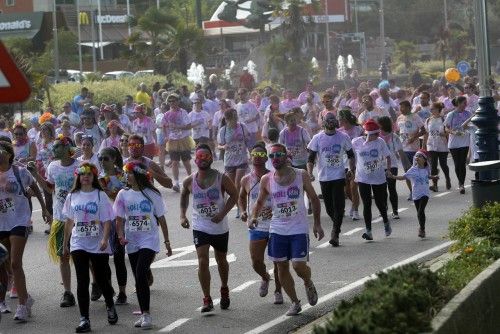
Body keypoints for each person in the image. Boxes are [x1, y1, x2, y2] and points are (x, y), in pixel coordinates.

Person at [249, 143, 324, 316]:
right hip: (277, 229)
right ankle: (295, 302)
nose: (274, 159)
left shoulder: (300, 175)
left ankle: (307, 281)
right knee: (281, 267)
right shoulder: (266, 179)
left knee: (298, 265)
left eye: (278, 155)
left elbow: (314, 198)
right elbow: (260, 201)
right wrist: (254, 217)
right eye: (272, 156)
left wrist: (317, 224)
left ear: (286, 155)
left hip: (298, 228)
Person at [180, 144, 238, 313]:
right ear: (195, 159)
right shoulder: (189, 181)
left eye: (206, 156)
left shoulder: (222, 178)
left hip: (219, 226)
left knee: (221, 260)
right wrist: (182, 215)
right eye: (200, 156)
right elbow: (184, 195)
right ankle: (207, 298)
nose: (203, 159)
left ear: (212, 158)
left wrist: (222, 213)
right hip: (200, 226)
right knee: (202, 260)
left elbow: (234, 195)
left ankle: (224, 289)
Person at [115, 162, 172, 328]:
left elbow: (161, 218)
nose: (127, 176)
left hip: (149, 239)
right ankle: (143, 312)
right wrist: (120, 235)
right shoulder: (122, 195)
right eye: (126, 173)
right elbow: (119, 218)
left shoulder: (152, 194)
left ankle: (147, 315)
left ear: (139, 174)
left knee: (140, 273)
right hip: (131, 240)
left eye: (130, 173)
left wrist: (167, 241)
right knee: (138, 278)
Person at [62, 162, 118, 332]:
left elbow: (107, 220)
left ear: (94, 177)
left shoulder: (100, 195)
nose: (85, 177)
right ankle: (84, 319)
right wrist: (65, 244)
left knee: (102, 279)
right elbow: (69, 221)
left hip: (97, 243)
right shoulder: (72, 196)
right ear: (78, 177)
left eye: (89, 174)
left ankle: (110, 304)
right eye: (82, 174)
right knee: (82, 280)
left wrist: (105, 239)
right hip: (78, 242)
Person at [0, 141, 50, 321]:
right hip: (1, 223)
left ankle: (21, 306)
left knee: (15, 263)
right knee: (5, 264)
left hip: (19, 220)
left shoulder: (19, 172)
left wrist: (44, 208)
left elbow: (35, 185)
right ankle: (26, 298)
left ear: (9, 154)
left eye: (3, 150)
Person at [29, 135, 79, 308]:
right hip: (60, 218)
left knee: (85, 256)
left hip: (80, 219)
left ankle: (96, 283)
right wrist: (35, 174)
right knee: (63, 256)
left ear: (67, 149)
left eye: (57, 147)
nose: (53, 150)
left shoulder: (79, 166)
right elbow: (50, 188)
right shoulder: (52, 166)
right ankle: (68, 292)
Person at [239, 143, 283, 304]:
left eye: (260, 155)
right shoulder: (246, 179)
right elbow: (241, 197)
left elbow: (283, 197)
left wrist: (276, 209)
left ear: (266, 158)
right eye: (254, 155)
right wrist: (243, 211)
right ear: (250, 157)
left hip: (275, 224)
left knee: (278, 261)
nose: (257, 158)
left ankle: (278, 291)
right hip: (256, 225)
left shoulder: (274, 176)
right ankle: (265, 277)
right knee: (256, 261)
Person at [307, 113, 355, 246]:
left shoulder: (343, 137)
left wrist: (351, 169)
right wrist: (310, 173)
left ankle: (335, 233)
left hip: (339, 176)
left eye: (333, 120)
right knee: (329, 208)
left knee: (338, 204)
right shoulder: (317, 138)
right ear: (324, 123)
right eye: (328, 120)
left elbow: (351, 155)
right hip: (324, 177)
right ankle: (337, 222)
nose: (331, 122)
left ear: (336, 122)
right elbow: (311, 158)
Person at [352, 120, 392, 241]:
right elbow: (351, 156)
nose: (376, 136)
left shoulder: (380, 142)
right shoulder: (356, 142)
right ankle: (369, 231)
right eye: (374, 134)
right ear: (368, 133)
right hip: (362, 178)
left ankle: (386, 222)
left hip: (378, 177)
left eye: (377, 134)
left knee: (380, 203)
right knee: (367, 204)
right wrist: (351, 169)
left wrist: (388, 170)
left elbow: (388, 156)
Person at [98, 147, 128, 306]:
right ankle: (108, 288)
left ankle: (122, 292)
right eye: (100, 158)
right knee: (103, 259)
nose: (102, 162)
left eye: (106, 158)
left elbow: (123, 196)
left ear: (114, 159)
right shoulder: (96, 176)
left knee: (118, 257)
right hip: (103, 221)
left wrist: (110, 191)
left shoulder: (122, 175)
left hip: (119, 220)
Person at [388, 150, 439, 238]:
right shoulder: (412, 170)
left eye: (419, 156)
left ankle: (422, 229)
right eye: (416, 156)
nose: (417, 158)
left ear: (424, 160)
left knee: (421, 211)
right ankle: (422, 227)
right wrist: (393, 177)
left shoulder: (426, 169)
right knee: (419, 213)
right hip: (416, 194)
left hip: (425, 194)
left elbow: (427, 176)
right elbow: (403, 177)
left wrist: (433, 177)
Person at [217, 108, 250, 217]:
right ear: (227, 119)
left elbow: (247, 141)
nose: (236, 118)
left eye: (236, 116)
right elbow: (219, 145)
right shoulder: (223, 130)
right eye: (234, 117)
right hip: (229, 160)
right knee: (232, 187)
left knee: (237, 184)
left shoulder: (242, 126)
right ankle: (238, 207)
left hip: (242, 158)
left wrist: (250, 154)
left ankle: (241, 209)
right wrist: (223, 146)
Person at [378, 116, 410, 219]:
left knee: (391, 188)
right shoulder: (376, 137)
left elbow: (400, 152)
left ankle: (395, 211)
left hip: (392, 166)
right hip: (379, 166)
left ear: (383, 125)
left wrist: (406, 165)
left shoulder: (394, 137)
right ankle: (384, 209)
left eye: (378, 124)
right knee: (382, 189)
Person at [161, 93, 193, 192]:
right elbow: (164, 126)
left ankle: (191, 181)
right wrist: (166, 136)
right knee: (174, 162)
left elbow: (189, 126)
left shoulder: (183, 112)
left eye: (174, 101)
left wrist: (178, 127)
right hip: (172, 141)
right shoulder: (166, 114)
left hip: (183, 139)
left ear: (178, 101)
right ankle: (176, 183)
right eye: (170, 101)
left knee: (186, 162)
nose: (172, 103)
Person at [396, 100, 426, 200]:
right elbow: (398, 132)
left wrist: (414, 137)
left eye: (403, 107)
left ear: (409, 107)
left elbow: (423, 130)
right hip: (403, 149)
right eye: (400, 108)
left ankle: (418, 190)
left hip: (414, 149)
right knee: (407, 171)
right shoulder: (399, 118)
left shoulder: (415, 117)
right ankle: (412, 192)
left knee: (415, 171)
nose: (401, 110)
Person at [338, 109, 364, 220]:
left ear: (345, 119)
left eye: (340, 119)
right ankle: (354, 203)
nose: (339, 121)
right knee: (346, 189)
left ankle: (355, 210)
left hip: (357, 162)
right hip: (343, 162)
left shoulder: (359, 129)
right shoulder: (339, 132)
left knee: (353, 187)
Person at [444, 96, 471, 194]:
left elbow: (471, 125)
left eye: (466, 103)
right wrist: (454, 132)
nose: (465, 105)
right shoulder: (451, 114)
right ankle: (460, 182)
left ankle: (461, 184)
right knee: (457, 164)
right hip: (454, 142)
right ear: (458, 103)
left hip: (464, 141)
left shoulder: (468, 113)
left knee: (462, 163)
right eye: (464, 103)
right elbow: (446, 128)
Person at [424, 102, 451, 191]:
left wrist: (444, 134)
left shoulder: (444, 119)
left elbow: (448, 131)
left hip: (442, 144)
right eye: (430, 109)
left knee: (443, 164)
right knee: (433, 165)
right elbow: (427, 133)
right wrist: (424, 146)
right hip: (431, 144)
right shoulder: (428, 120)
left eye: (433, 108)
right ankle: (435, 185)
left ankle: (447, 178)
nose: (431, 110)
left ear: (438, 109)